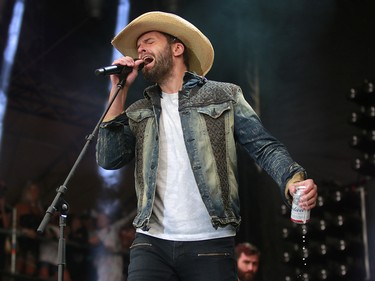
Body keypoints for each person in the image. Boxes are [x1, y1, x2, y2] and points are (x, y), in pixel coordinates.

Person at [96, 11, 318, 281]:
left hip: (210, 244)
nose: (141, 49)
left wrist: (292, 179)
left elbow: (264, 146)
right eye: (139, 46)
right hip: (150, 242)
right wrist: (117, 91)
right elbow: (109, 159)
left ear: (177, 48)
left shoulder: (224, 95)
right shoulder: (138, 110)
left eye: (150, 41)